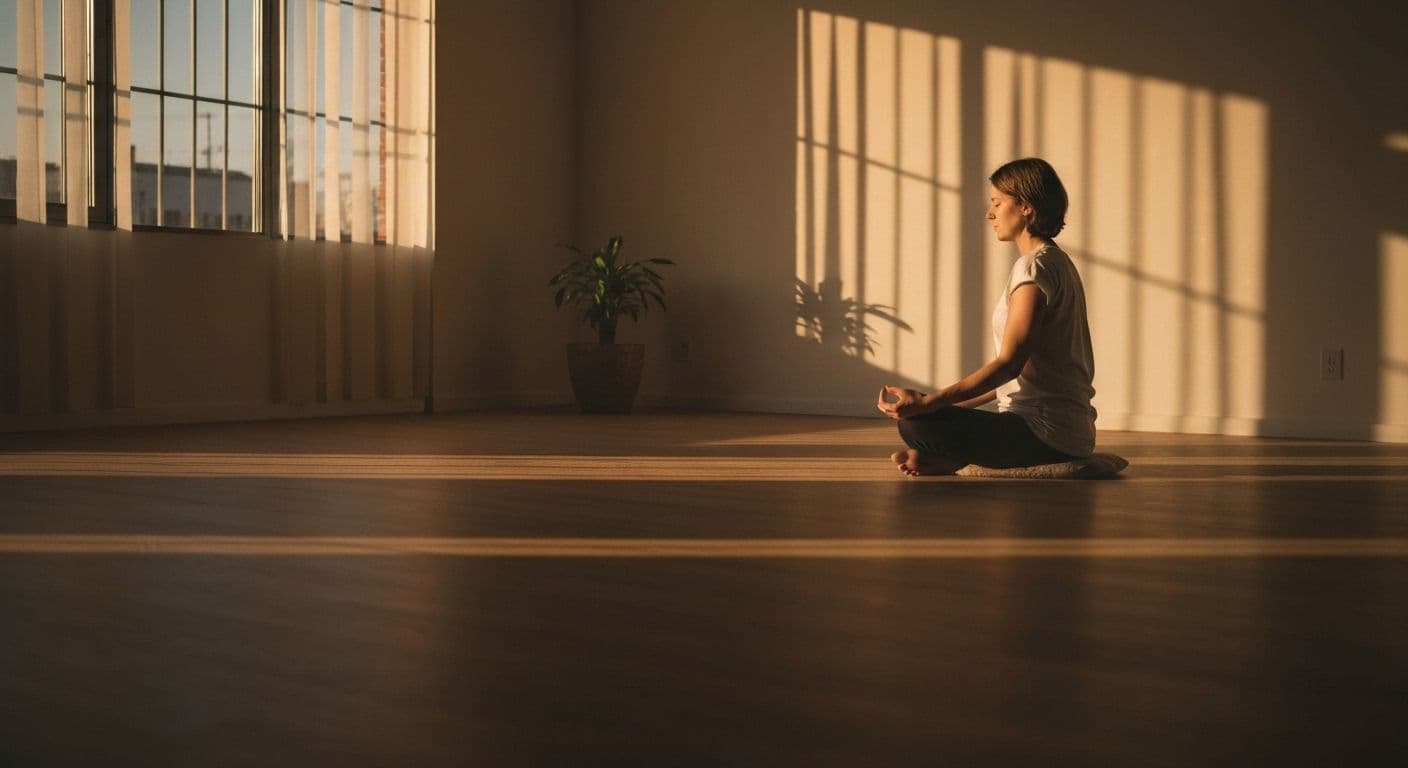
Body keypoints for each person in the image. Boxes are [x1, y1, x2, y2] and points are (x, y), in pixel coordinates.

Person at [876, 157, 1096, 476]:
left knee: (915, 426)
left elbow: (1008, 365)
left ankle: (952, 456)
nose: (989, 213)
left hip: (1046, 434)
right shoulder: (1056, 262)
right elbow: (1015, 378)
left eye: (997, 202)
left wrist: (928, 406)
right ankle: (946, 456)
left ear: (1026, 207)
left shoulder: (1033, 268)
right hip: (1068, 432)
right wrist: (936, 405)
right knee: (922, 416)